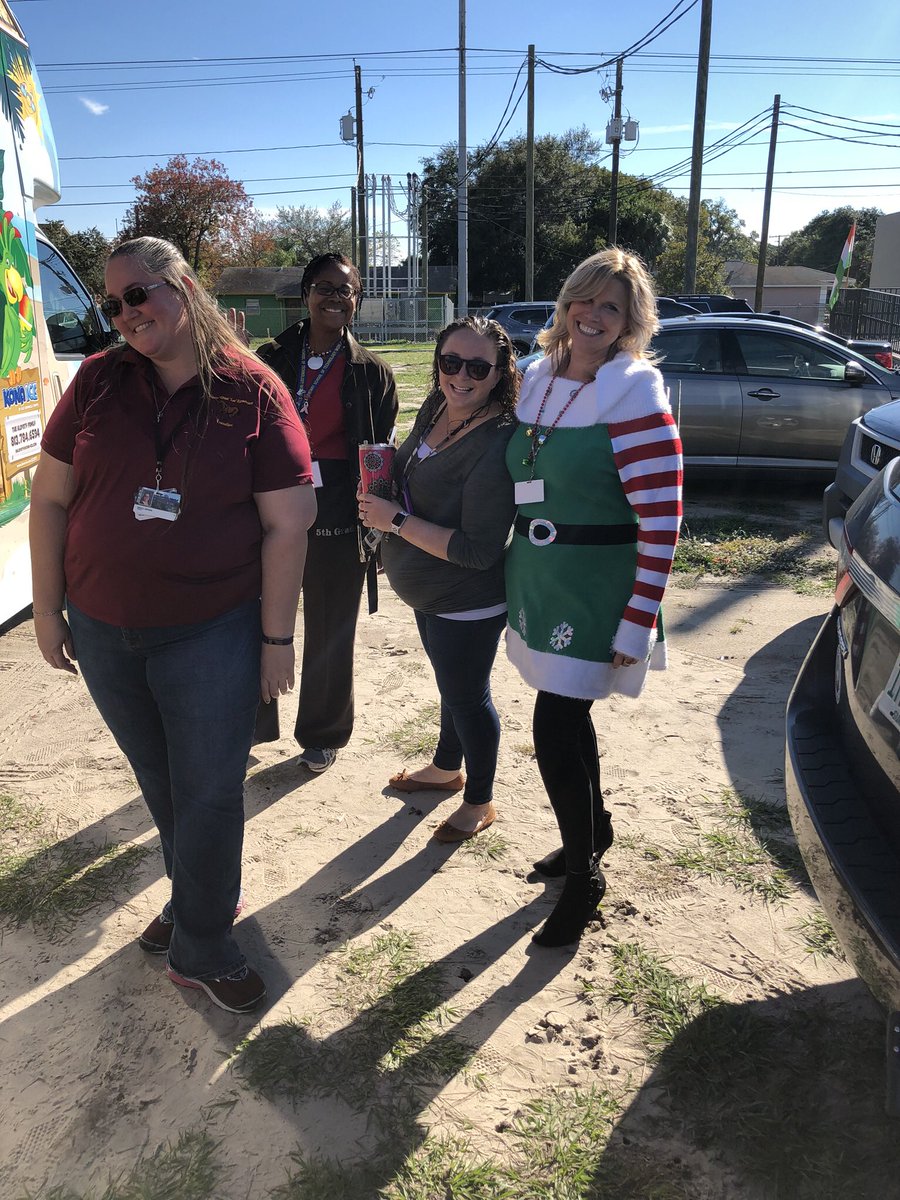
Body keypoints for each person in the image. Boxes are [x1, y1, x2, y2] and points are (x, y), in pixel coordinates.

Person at [29, 236, 316, 1014]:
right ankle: (198, 900)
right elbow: (50, 500)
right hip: (101, 629)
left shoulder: (254, 390)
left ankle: (203, 947)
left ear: (184, 287)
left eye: (140, 294)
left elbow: (291, 523)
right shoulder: (95, 382)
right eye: (113, 303)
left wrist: (275, 640)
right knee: (162, 783)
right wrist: (49, 609)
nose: (127, 314)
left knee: (211, 792)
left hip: (210, 629)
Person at [505, 248, 683, 946]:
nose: (594, 314)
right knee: (568, 720)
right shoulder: (535, 378)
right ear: (566, 302)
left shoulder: (634, 392)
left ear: (632, 321)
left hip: (597, 586)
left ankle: (583, 878)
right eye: (585, 298)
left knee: (555, 725)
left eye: (612, 306)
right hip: (539, 577)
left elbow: (663, 518)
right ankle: (597, 830)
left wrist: (638, 621)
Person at [359, 315, 518, 841]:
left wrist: (396, 523)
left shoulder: (495, 443)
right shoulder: (438, 406)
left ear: (499, 373)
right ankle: (448, 768)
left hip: (466, 600)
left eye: (478, 366)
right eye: (451, 362)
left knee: (469, 697)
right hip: (429, 596)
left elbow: (478, 550)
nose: (462, 376)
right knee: (452, 687)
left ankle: (480, 800)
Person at [256, 253, 398, 773]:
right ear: (305, 294)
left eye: (346, 289)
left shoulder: (372, 372)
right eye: (324, 287)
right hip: (271, 503)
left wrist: (377, 528)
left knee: (330, 626)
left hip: (340, 509)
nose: (334, 297)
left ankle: (322, 732)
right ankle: (253, 723)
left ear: (356, 299)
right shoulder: (270, 357)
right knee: (257, 618)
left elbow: (382, 453)